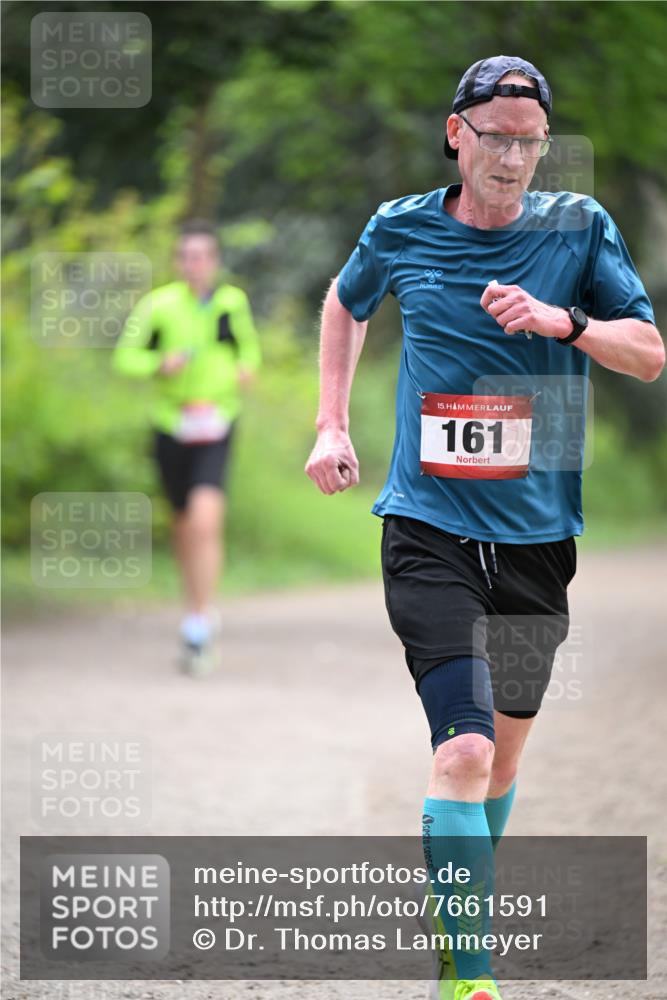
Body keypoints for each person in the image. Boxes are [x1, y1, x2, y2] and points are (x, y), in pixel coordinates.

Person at [305, 55, 664, 1000]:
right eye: (497, 138)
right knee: (460, 750)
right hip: (426, 527)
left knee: (499, 762)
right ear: (456, 134)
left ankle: (454, 917)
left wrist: (562, 322)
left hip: (537, 541)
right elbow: (345, 302)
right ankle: (471, 976)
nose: (512, 158)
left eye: (530, 142)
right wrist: (330, 423)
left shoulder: (579, 228)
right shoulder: (400, 226)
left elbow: (647, 354)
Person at [114, 220, 261, 674]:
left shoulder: (231, 302)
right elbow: (125, 358)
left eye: (202, 256)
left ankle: (200, 619)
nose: (194, 264)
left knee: (205, 519)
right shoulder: (158, 305)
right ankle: (193, 605)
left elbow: (249, 351)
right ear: (178, 261)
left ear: (214, 261)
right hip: (171, 425)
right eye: (186, 256)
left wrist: (244, 369)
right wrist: (160, 364)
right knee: (182, 523)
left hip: (217, 422)